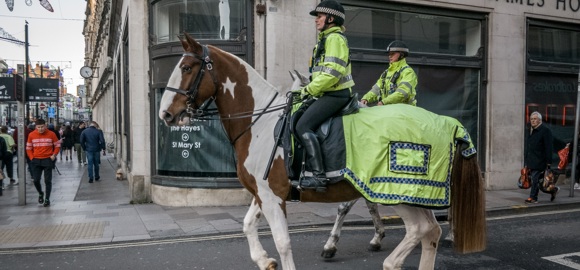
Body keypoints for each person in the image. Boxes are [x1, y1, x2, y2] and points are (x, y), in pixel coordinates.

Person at [293, 0, 354, 192]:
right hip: (326, 91)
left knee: (303, 125)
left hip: (336, 94)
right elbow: (320, 72)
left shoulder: (335, 39)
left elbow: (333, 73)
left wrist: (308, 90)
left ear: (330, 18)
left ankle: (319, 177)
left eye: (319, 16)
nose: (316, 20)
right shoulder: (324, 39)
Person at [361, 40, 418, 106]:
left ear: (402, 55)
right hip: (389, 111)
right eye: (389, 54)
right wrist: (366, 98)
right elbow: (376, 89)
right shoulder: (386, 73)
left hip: (404, 112)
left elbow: (403, 93)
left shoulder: (408, 72)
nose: (389, 56)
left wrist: (384, 102)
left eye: (392, 53)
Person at [524, 111, 558, 203]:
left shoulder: (545, 131)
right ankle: (553, 190)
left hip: (540, 160)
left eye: (535, 119)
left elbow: (549, 147)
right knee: (540, 183)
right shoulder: (530, 130)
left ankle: (533, 198)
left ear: (540, 120)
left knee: (535, 179)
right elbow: (529, 146)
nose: (533, 121)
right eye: (531, 119)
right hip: (531, 160)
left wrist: (549, 162)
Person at [26, 119, 60, 207]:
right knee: (36, 180)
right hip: (36, 160)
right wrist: (32, 158)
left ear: (45, 126)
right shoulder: (31, 135)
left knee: (47, 180)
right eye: (38, 127)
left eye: (42, 127)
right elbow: (28, 148)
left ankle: (47, 199)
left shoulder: (51, 134)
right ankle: (40, 193)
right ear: (36, 127)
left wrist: (54, 155)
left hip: (47, 159)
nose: (40, 129)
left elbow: (57, 145)